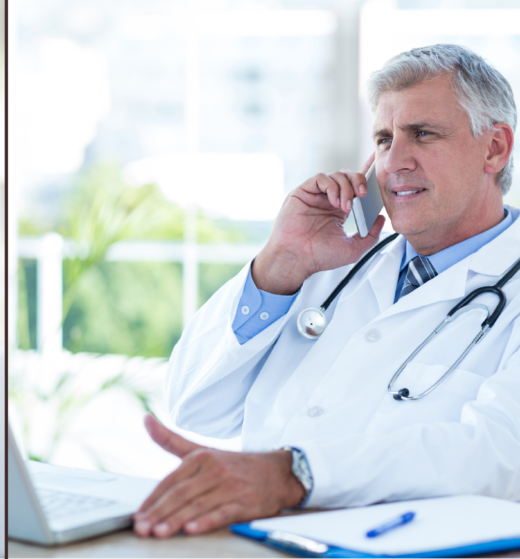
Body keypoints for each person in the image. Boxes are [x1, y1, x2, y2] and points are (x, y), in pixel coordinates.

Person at [134, 43, 520, 538]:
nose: (393, 161)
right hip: (255, 543)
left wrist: (295, 474)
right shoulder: (331, 263)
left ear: (495, 148)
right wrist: (280, 264)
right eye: (383, 139)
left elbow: (498, 455)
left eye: (422, 134)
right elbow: (196, 406)